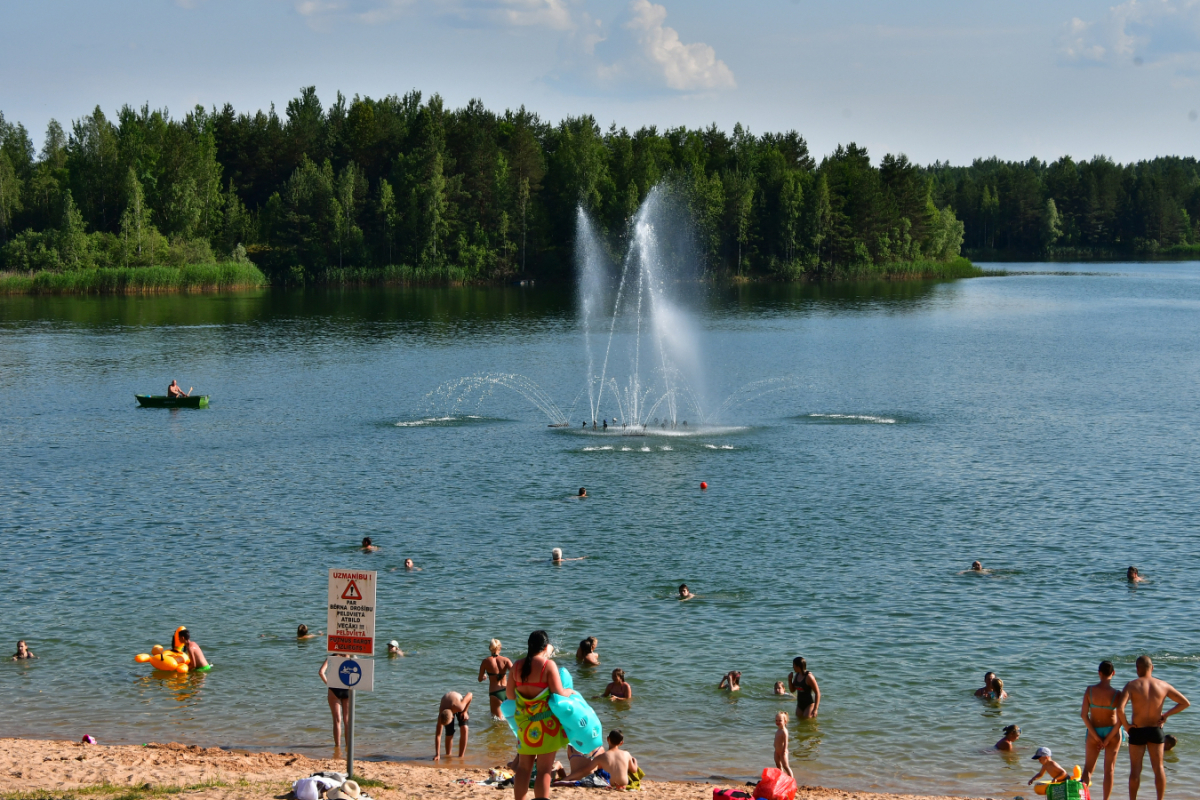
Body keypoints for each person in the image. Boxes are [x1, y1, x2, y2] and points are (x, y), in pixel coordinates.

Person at [1116, 655, 1190, 800]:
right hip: (1156, 731)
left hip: (1137, 730)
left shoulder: (1131, 685)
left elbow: (1120, 708)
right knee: (1159, 768)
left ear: (1137, 669)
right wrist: (1166, 715)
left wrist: (1127, 726)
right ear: (1152, 668)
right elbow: (1185, 703)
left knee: (1135, 771)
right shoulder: (1163, 685)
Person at [507, 630, 570, 800]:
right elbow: (559, 693)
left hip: (526, 725)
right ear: (545, 646)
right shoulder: (547, 666)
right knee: (544, 770)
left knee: (523, 769)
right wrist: (569, 691)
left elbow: (511, 696)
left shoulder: (517, 666)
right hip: (546, 726)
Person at [1082, 661, 1124, 800]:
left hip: (1094, 731)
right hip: (1112, 733)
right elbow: (1120, 720)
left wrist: (1096, 736)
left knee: (1088, 769)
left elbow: (1084, 715)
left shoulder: (1090, 690)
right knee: (1109, 770)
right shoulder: (1117, 694)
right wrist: (1106, 740)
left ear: (1099, 673)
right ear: (1113, 673)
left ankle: (1083, 798)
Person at [560, 730, 640, 789]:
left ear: (608, 739)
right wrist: (635, 761)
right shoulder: (626, 754)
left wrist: (567, 778)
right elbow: (634, 770)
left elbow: (585, 770)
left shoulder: (602, 756)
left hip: (609, 783)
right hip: (624, 783)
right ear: (621, 743)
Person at [319, 658, 351, 751]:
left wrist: (329, 684)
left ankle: (337, 747)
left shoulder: (331, 658)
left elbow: (321, 672)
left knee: (337, 720)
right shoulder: (349, 657)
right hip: (346, 688)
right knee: (347, 720)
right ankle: (348, 747)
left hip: (334, 689)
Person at [478, 639, 513, 718]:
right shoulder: (506, 660)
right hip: (507, 691)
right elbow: (516, 674)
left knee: (497, 722)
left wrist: (484, 677)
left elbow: (479, 679)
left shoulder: (485, 661)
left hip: (495, 693)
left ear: (490, 648)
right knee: (510, 718)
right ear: (500, 648)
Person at [434, 690, 472, 761]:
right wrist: (437, 754)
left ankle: (461, 756)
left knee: (464, 729)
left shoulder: (460, 707)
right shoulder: (441, 714)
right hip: (447, 703)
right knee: (449, 733)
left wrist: (465, 711)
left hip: (458, 702)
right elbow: (438, 735)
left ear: (452, 717)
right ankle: (448, 755)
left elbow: (470, 694)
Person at [774, 711, 793, 777]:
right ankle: (781, 776)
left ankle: (791, 778)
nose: (778, 722)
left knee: (786, 766)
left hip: (783, 751)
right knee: (778, 764)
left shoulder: (784, 731)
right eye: (776, 720)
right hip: (776, 751)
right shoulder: (778, 730)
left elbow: (786, 742)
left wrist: (784, 751)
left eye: (780, 720)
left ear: (785, 721)